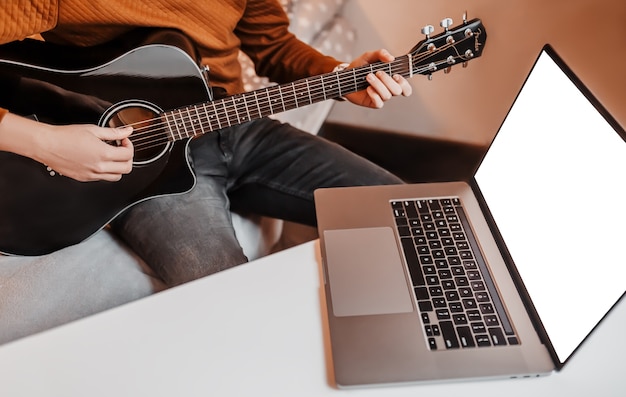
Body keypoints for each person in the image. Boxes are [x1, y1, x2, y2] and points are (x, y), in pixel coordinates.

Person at [0, 0, 412, 286]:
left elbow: (273, 45)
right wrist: (46, 142)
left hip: (235, 121)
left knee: (412, 211)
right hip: (143, 159)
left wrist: (340, 75)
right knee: (225, 297)